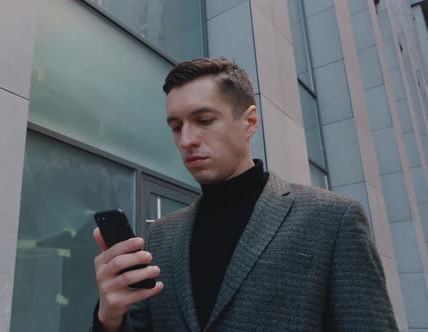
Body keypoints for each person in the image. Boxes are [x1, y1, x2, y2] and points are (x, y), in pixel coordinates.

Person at [91, 58, 397, 331]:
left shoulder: (333, 218)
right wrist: (110, 318)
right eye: (176, 126)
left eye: (204, 120)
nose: (186, 140)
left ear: (249, 122)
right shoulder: (163, 236)